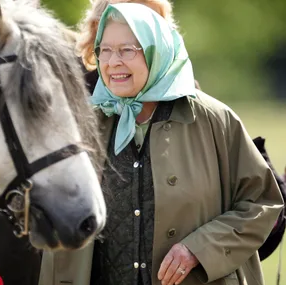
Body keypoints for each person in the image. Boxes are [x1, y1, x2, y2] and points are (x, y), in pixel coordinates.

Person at [41, 3, 284, 285]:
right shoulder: (82, 124)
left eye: (127, 50)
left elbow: (262, 203)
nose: (112, 62)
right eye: (105, 50)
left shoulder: (214, 120)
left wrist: (199, 250)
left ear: (158, 51)